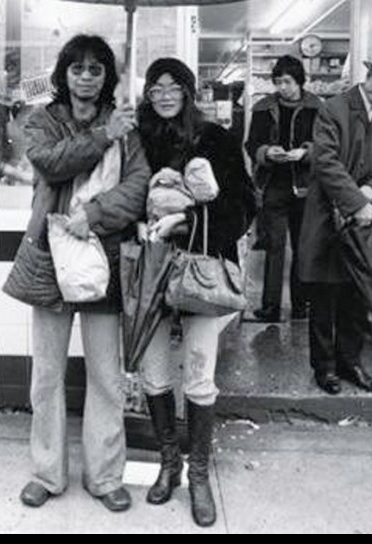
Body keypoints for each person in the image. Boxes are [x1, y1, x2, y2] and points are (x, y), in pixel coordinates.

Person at [16, 35, 151, 511]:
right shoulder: (44, 121)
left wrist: (92, 215)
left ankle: (105, 476)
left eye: (96, 69)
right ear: (64, 74)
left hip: (105, 257)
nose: (87, 76)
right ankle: (47, 473)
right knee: (47, 375)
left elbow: (137, 188)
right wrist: (103, 135)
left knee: (106, 377)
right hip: (51, 258)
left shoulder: (126, 126)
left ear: (107, 77)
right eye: (78, 68)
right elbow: (50, 164)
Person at [136, 58, 256, 527]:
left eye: (173, 87)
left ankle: (200, 474)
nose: (164, 95)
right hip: (150, 268)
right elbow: (127, 197)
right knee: (154, 373)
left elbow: (243, 205)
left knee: (200, 375)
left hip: (202, 273)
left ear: (187, 91)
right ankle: (169, 463)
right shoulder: (139, 142)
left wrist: (185, 222)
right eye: (155, 87)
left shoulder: (215, 140)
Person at [298, 50, 372, 396]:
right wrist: (355, 200)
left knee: (356, 296)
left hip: (364, 221)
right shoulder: (333, 109)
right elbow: (326, 163)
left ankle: (351, 363)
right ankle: (325, 368)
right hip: (326, 220)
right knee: (324, 296)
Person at [244, 55, 321, 323]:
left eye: (287, 81)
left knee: (304, 246)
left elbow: (326, 144)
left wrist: (306, 152)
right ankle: (271, 307)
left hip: (306, 187)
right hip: (273, 185)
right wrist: (267, 152)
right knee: (275, 246)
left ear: (299, 80)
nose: (283, 87)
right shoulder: (263, 108)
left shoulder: (317, 107)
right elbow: (251, 143)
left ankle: (302, 305)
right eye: (278, 82)